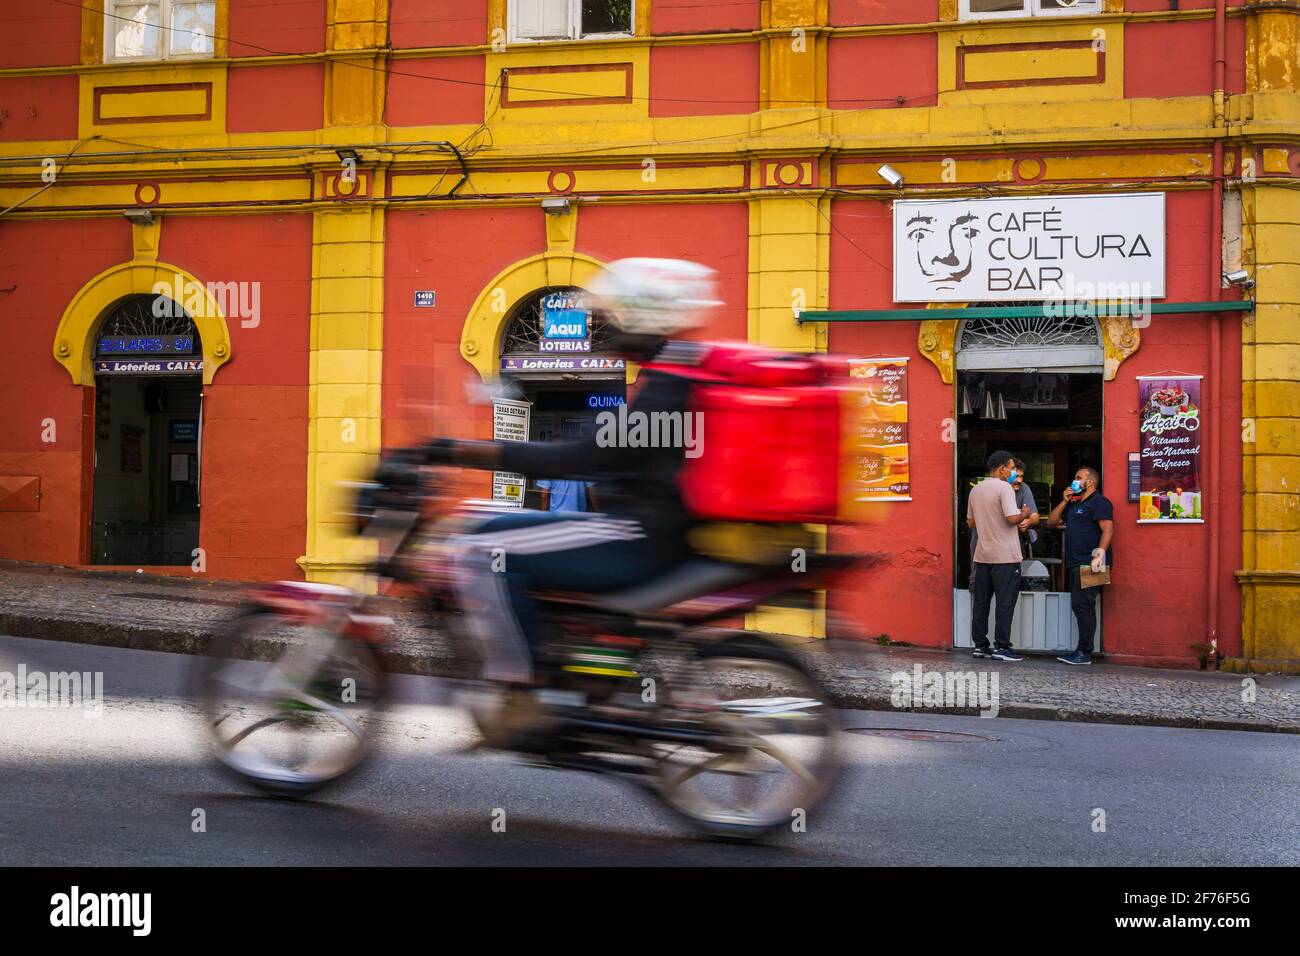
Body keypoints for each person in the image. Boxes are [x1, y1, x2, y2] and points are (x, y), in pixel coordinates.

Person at [421, 258, 720, 692]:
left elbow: (577, 457)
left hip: (638, 537)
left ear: (643, 316)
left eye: (614, 314)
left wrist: (457, 450)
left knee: (478, 546)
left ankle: (519, 689)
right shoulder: (678, 375)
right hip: (647, 532)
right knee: (487, 521)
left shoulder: (669, 387)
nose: (607, 325)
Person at [966, 450, 1032, 661]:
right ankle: (1002, 647)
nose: (1013, 471)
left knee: (981, 603)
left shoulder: (975, 490)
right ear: (1002, 469)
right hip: (1005, 556)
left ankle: (980, 645)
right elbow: (1012, 518)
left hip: (982, 555)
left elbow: (971, 522)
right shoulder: (1004, 487)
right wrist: (1025, 513)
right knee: (1005, 603)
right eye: (1011, 467)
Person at [1044, 466, 1113, 665]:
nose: (1074, 481)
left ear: (1090, 482)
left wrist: (1098, 556)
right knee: (1081, 604)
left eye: (1078, 477)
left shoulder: (1100, 502)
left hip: (1094, 561)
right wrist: (1064, 501)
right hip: (1076, 562)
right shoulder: (1074, 504)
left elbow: (1108, 531)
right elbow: (1051, 522)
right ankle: (1083, 651)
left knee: (1083, 605)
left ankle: (1085, 652)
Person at [970, 455, 1038, 562]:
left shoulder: (977, 489)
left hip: (991, 552)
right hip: (991, 549)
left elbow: (1034, 516)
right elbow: (1012, 519)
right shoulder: (1003, 487)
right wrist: (1023, 514)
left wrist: (1027, 522)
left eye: (1021, 476)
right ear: (1004, 470)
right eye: (1015, 474)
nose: (1019, 480)